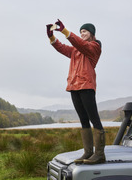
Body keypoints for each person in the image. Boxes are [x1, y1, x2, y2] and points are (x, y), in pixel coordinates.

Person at [46, 19, 105, 165]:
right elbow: (61, 47)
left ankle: (99, 154)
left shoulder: (95, 46)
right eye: (80, 32)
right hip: (74, 87)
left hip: (86, 86)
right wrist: (51, 36)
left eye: (84, 31)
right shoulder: (75, 51)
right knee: (83, 120)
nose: (82, 33)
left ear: (92, 34)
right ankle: (88, 152)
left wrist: (65, 31)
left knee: (94, 119)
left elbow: (80, 43)